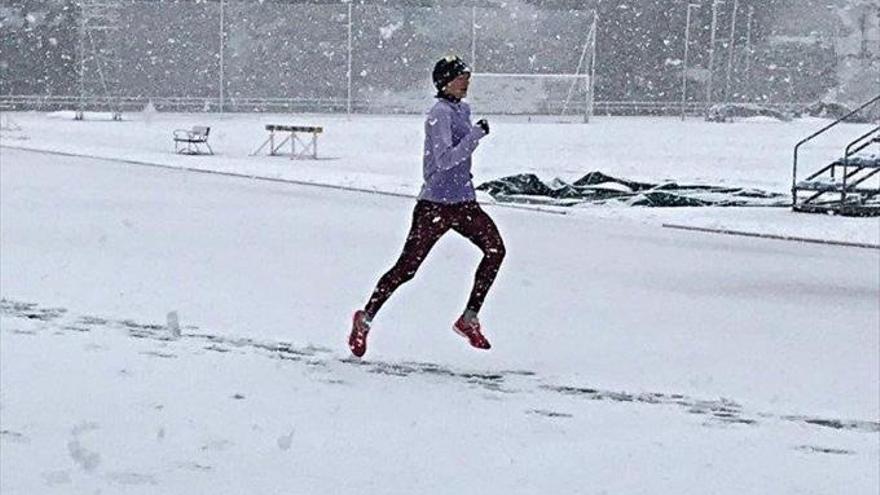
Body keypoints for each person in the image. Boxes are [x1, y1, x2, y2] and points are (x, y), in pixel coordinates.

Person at [348, 55, 506, 358]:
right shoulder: (439, 114)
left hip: (463, 203)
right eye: (462, 76)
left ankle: (469, 318)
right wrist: (475, 135)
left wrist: (472, 135)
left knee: (495, 250)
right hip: (434, 205)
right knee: (407, 269)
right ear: (445, 81)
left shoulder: (463, 110)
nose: (467, 81)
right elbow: (445, 160)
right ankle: (364, 319)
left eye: (468, 76)